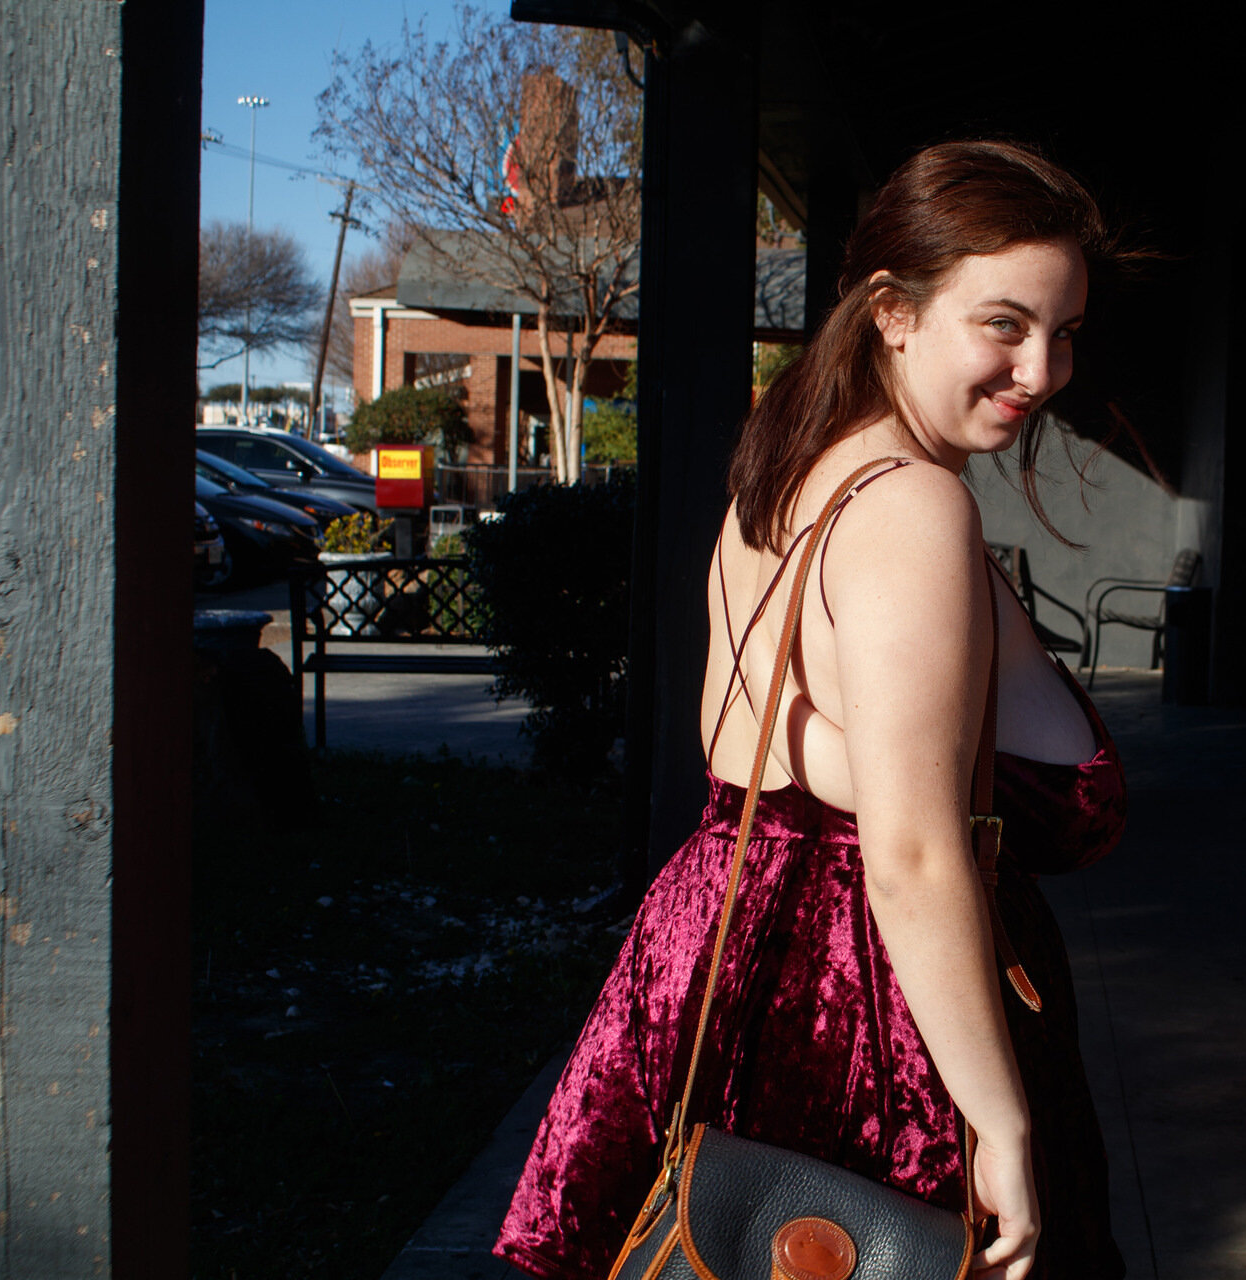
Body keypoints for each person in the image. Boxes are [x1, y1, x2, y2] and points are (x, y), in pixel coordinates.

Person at [495, 140, 1128, 1280]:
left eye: (1065, 330)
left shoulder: (784, 473)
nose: (1042, 369)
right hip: (868, 1006)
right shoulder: (913, 507)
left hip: (724, 938)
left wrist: (858, 764)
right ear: (892, 312)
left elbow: (733, 735)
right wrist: (1001, 1120)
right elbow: (915, 852)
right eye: (1004, 323)